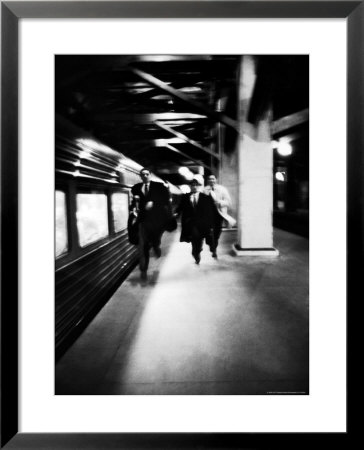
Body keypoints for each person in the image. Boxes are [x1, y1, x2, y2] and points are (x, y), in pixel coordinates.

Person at [129, 168, 170, 279]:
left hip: (156, 221)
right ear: (140, 176)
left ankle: (156, 246)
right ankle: (143, 269)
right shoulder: (136, 188)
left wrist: (154, 203)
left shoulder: (159, 186)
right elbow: (133, 203)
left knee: (155, 239)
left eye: (147, 174)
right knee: (143, 246)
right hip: (142, 222)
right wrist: (133, 208)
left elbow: (166, 200)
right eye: (143, 174)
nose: (145, 176)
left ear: (150, 175)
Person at [175, 177, 216, 264]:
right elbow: (180, 208)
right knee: (195, 239)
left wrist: (211, 224)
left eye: (196, 185)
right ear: (190, 186)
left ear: (199, 186)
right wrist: (176, 213)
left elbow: (210, 212)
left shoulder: (205, 197)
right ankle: (196, 253)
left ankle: (205, 250)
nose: (194, 187)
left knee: (203, 239)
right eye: (192, 185)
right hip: (191, 224)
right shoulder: (185, 197)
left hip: (203, 223)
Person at [203, 174, 236, 257]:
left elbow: (229, 202)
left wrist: (220, 202)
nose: (211, 181)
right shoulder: (204, 190)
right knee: (208, 233)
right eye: (209, 179)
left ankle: (214, 249)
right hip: (208, 215)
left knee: (216, 233)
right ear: (207, 181)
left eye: (213, 179)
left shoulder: (222, 189)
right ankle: (211, 245)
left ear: (216, 180)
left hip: (219, 215)